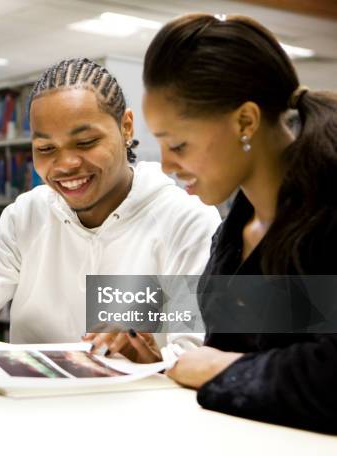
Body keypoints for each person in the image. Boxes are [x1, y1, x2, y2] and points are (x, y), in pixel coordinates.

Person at [0, 58, 221, 356]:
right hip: (33, 408)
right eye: (45, 148)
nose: (65, 164)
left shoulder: (187, 222)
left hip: (136, 413)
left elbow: (196, 353)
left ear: (126, 127)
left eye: (86, 142)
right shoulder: (28, 215)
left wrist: (149, 358)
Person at [140, 13, 337, 433]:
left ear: (245, 121)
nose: (169, 165)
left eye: (179, 144)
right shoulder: (236, 230)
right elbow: (236, 349)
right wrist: (162, 363)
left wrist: (220, 368)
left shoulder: (328, 214)